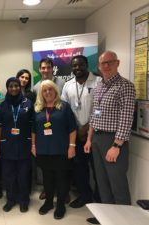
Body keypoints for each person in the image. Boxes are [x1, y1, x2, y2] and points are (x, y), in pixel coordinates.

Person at [84, 51, 135, 225]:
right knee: (102, 182)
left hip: (113, 141)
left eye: (109, 62)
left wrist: (117, 145)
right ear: (98, 66)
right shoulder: (99, 87)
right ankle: (107, 219)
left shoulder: (125, 86)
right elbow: (93, 116)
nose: (106, 66)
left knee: (117, 184)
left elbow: (127, 118)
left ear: (117, 63)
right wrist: (90, 139)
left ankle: (124, 221)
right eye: (102, 63)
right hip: (97, 139)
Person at [31, 80, 77, 220]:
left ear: (55, 91)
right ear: (41, 93)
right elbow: (33, 130)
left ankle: (60, 205)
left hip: (61, 149)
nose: (48, 92)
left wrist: (72, 146)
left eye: (50, 89)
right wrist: (33, 145)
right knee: (47, 178)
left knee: (61, 178)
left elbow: (72, 128)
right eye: (44, 90)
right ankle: (49, 202)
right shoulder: (38, 109)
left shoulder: (64, 107)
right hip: (43, 150)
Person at [62, 55, 101, 208]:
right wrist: (75, 129)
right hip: (75, 135)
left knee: (98, 169)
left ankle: (99, 199)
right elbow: (64, 109)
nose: (77, 68)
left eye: (80, 65)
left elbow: (100, 109)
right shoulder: (68, 85)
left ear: (87, 65)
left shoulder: (98, 82)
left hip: (95, 133)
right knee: (79, 169)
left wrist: (86, 127)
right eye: (74, 66)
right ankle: (85, 196)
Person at [0, 77, 34, 213]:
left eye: (16, 86)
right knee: (9, 175)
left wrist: (33, 144)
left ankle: (23, 201)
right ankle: (10, 200)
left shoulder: (28, 103)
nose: (14, 88)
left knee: (23, 175)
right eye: (10, 86)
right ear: (7, 88)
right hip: (7, 145)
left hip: (24, 144)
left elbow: (33, 126)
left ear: (20, 87)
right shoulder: (3, 105)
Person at [32, 57, 67, 201]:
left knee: (62, 165)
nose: (45, 70)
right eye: (43, 68)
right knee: (45, 164)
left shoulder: (63, 83)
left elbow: (64, 105)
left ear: (53, 68)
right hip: (44, 130)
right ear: (39, 70)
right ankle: (47, 190)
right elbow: (38, 107)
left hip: (59, 128)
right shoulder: (36, 87)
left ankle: (62, 192)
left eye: (48, 67)